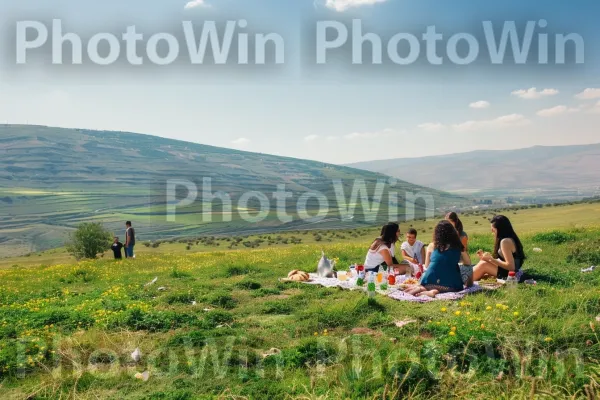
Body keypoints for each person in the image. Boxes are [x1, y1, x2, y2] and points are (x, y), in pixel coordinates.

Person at [405, 220, 472, 298]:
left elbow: (427, 265)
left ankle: (425, 289)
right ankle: (434, 291)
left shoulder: (432, 245)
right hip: (451, 285)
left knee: (429, 281)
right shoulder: (458, 246)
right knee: (458, 274)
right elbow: (468, 263)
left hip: (429, 281)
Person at [472, 215, 525, 281]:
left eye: (493, 230)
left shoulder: (505, 242)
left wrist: (491, 259)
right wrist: (487, 259)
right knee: (484, 261)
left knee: (483, 265)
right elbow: (504, 261)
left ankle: (465, 281)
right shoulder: (510, 238)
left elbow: (511, 267)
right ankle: (467, 276)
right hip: (510, 271)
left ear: (500, 229)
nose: (492, 232)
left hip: (511, 274)